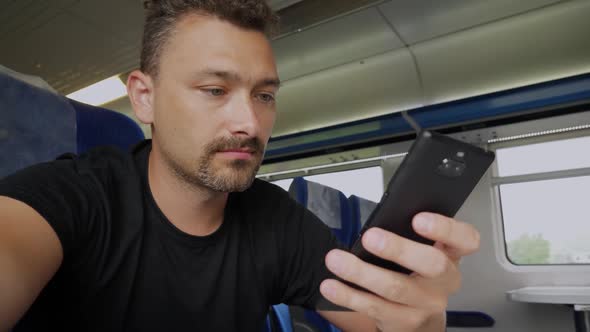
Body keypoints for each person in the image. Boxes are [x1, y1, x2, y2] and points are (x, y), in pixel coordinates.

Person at [0, 0, 481, 331]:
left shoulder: (275, 219)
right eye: (214, 90)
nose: (250, 122)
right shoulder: (70, 197)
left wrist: (418, 318)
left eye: (265, 95)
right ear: (144, 98)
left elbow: (370, 319)